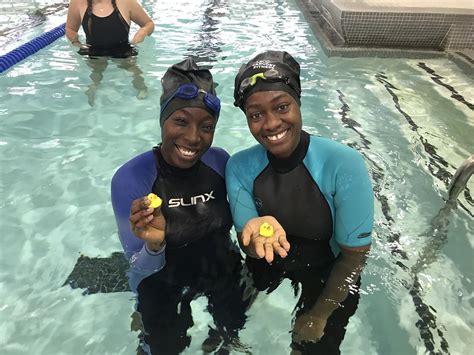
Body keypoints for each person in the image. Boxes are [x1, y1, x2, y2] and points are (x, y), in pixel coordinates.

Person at [226, 50, 374, 354]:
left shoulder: (343, 163)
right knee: (226, 329)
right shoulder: (239, 167)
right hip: (267, 264)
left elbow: (354, 257)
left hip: (329, 270)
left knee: (310, 345)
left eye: (281, 107)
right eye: (256, 114)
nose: (270, 123)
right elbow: (250, 247)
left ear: (298, 102)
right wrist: (253, 236)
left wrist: (320, 313)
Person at [111, 58, 250, 355]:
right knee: (163, 346)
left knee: (232, 330)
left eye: (206, 126)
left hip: (219, 267)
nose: (193, 137)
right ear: (163, 119)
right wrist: (155, 245)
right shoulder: (131, 179)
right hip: (161, 278)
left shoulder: (221, 162)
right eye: (181, 121)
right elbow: (137, 272)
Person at [65, 0, 155, 104]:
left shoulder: (125, 2)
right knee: (96, 74)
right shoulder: (78, 2)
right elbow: (70, 28)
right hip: (95, 50)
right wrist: (76, 42)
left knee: (134, 71)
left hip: (122, 49)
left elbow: (149, 24)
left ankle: (142, 88)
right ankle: (92, 90)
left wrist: (142, 32)